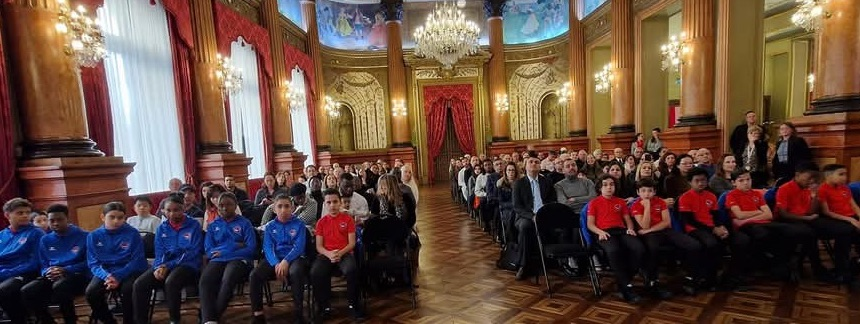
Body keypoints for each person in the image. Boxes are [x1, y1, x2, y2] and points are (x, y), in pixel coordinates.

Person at [777, 163, 854, 285]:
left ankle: (843, 269)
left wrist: (814, 197)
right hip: (791, 220)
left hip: (808, 218)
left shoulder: (808, 189)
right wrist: (806, 218)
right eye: (808, 178)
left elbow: (810, 212)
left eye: (813, 179)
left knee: (845, 230)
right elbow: (783, 214)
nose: (810, 181)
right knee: (809, 233)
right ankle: (817, 269)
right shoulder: (785, 188)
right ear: (797, 175)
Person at [131, 194, 203, 324]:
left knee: (171, 282)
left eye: (176, 210)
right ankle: (140, 321)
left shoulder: (193, 225)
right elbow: (160, 251)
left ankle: (174, 320)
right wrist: (159, 266)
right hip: (164, 265)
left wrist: (167, 266)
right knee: (140, 284)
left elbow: (192, 252)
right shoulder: (162, 228)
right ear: (163, 211)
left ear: (184, 209)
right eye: (168, 210)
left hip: (188, 265)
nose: (172, 213)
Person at [677, 168, 749, 290]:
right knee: (712, 243)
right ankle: (710, 279)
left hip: (713, 226)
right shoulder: (685, 197)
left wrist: (721, 227)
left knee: (742, 240)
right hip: (695, 228)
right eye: (697, 181)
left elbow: (716, 215)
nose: (700, 183)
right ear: (690, 182)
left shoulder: (711, 196)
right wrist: (713, 229)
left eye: (703, 180)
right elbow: (689, 220)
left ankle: (732, 276)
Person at [631, 178, 703, 297]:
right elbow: (644, 224)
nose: (647, 194)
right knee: (653, 249)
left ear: (654, 192)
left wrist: (650, 229)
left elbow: (666, 222)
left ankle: (691, 278)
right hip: (649, 235)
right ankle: (652, 282)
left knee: (694, 245)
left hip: (662, 230)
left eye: (650, 191)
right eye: (643, 191)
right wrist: (647, 206)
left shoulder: (660, 202)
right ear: (638, 192)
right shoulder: (636, 205)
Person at [22, 204, 88, 324]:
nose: (55, 223)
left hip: (77, 275)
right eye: (52, 220)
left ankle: (70, 320)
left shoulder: (84, 236)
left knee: (60, 286)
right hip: (52, 275)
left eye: (59, 220)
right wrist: (47, 272)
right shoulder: (45, 239)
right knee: (28, 290)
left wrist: (66, 269)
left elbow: (89, 263)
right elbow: (43, 264)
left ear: (67, 218)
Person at [250, 193, 309, 324]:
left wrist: (286, 261)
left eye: (287, 206)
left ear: (292, 208)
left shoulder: (299, 224)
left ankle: (299, 313)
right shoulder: (270, 226)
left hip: (295, 258)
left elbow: (299, 246)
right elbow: (268, 248)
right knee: (255, 275)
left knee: (296, 272)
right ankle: (258, 314)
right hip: (275, 260)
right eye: (280, 206)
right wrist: (277, 263)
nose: (283, 210)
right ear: (274, 209)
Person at [86, 201, 148, 324]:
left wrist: (118, 276)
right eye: (112, 217)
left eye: (120, 218)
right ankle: (109, 321)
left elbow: (137, 260)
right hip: (106, 271)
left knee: (128, 289)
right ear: (103, 217)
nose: (116, 221)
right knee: (91, 292)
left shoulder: (132, 233)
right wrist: (107, 276)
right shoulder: (93, 236)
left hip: (129, 269)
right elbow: (93, 263)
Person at [586, 175, 645, 303]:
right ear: (600, 187)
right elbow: (590, 224)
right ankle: (626, 287)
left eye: (611, 184)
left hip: (621, 230)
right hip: (604, 232)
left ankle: (624, 279)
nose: (609, 187)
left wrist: (630, 228)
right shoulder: (594, 202)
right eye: (605, 184)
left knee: (639, 248)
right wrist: (599, 232)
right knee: (614, 251)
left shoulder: (620, 201)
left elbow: (628, 220)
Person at [199, 192, 257, 324]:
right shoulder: (213, 225)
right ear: (217, 207)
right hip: (218, 260)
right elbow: (209, 250)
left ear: (235, 205)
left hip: (240, 260)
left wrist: (226, 251)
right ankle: (208, 320)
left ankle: (213, 316)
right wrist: (236, 245)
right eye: (221, 205)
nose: (225, 208)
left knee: (228, 277)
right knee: (205, 280)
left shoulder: (244, 223)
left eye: (229, 205)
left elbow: (250, 248)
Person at [311, 189, 364, 320]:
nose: (332, 205)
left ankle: (353, 305)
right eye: (329, 202)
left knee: (352, 270)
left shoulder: (348, 219)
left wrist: (339, 253)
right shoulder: (321, 222)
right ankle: (324, 307)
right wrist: (329, 254)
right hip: (326, 254)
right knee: (316, 272)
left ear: (340, 203)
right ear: (325, 204)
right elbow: (319, 246)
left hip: (345, 252)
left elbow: (352, 243)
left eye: (335, 202)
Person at [512, 153, 557, 280]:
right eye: (531, 162)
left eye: (536, 162)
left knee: (556, 225)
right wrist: (532, 216)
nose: (534, 164)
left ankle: (550, 261)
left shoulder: (546, 181)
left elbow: (552, 200)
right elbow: (517, 206)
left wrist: (543, 213)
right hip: (525, 216)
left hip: (544, 214)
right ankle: (523, 265)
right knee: (526, 227)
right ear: (525, 166)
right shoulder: (519, 183)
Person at [0, 198, 45, 323]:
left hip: (26, 273)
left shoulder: (36, 233)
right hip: (4, 272)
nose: (25, 216)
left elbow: (36, 262)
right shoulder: (2, 235)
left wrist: (7, 272)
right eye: (20, 213)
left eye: (27, 212)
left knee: (4, 289)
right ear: (7, 215)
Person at [817, 164, 860, 285]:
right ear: (828, 176)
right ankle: (842, 270)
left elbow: (854, 206)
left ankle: (856, 261)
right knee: (845, 233)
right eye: (841, 174)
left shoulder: (845, 188)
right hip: (836, 219)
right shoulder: (823, 189)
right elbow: (827, 212)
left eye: (845, 174)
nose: (844, 177)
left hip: (850, 217)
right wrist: (849, 220)